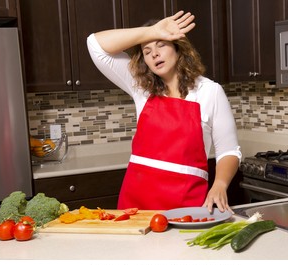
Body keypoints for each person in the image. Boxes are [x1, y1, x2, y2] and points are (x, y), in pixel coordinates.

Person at [87, 11, 241, 213]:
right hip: (136, 208)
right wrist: (151, 32)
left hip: (187, 208)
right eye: (147, 50)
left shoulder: (210, 92)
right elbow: (95, 44)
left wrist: (220, 184)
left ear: (179, 48)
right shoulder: (141, 86)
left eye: (161, 45)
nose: (154, 54)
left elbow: (229, 151)